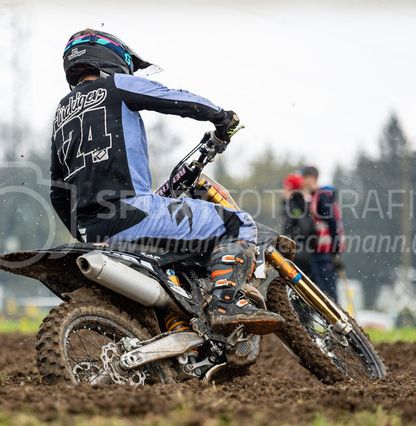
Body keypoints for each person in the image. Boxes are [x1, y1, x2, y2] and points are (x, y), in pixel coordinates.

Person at [49, 28, 283, 335]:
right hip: (133, 211)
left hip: (92, 230)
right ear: (111, 58)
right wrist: (220, 116)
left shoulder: (61, 114)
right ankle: (227, 305)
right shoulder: (116, 84)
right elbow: (171, 98)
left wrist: (86, 234)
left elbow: (57, 192)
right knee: (238, 224)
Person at [301, 166, 344, 301]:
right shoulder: (314, 196)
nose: (303, 181)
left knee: (328, 291)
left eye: (305, 178)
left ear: (312, 178)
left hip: (325, 253)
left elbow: (332, 223)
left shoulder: (322, 197)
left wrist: (335, 250)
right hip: (317, 251)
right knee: (319, 290)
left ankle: (335, 314)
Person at [280, 173, 315, 276]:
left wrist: (285, 249)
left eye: (285, 187)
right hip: (306, 253)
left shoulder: (292, 205)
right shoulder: (304, 202)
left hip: (297, 254)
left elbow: (292, 229)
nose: (283, 190)